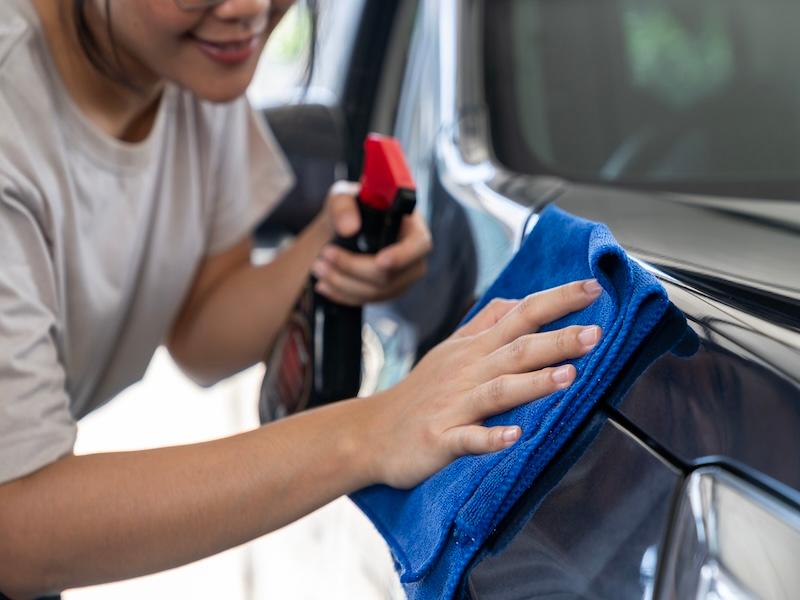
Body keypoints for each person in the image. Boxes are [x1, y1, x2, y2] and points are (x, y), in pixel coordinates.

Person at [0, 0, 604, 597]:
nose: (249, 10)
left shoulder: (190, 63)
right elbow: (17, 528)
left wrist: (331, 247)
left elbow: (201, 332)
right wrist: (372, 431)